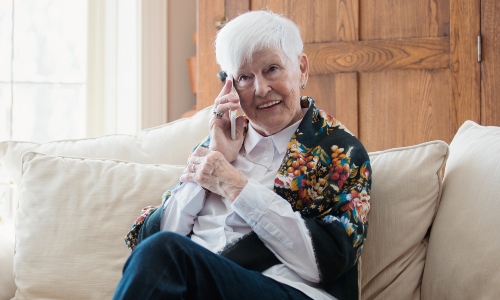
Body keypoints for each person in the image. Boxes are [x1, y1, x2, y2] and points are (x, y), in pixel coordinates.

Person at [113, 10, 371, 300]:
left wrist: (235, 185)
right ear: (230, 87)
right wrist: (211, 164)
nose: (261, 89)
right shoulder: (220, 145)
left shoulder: (338, 151)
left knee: (166, 254)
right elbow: (152, 243)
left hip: (289, 291)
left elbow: (328, 261)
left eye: (272, 68)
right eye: (245, 77)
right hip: (199, 286)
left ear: (301, 68)